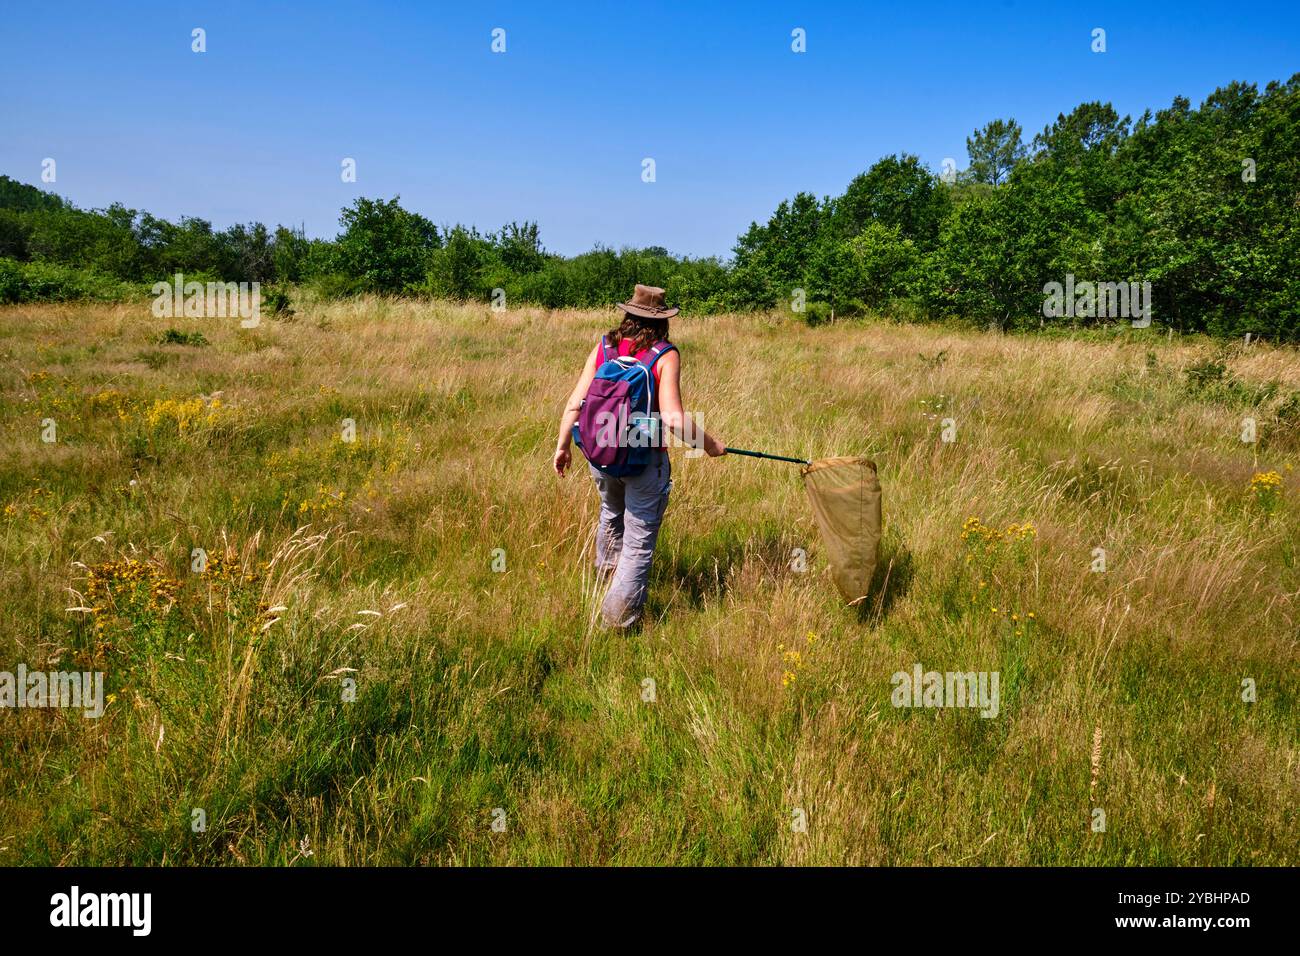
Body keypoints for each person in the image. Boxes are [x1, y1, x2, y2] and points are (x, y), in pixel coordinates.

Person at [554, 285, 726, 628]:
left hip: (600, 453)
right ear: (662, 321)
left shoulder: (605, 346)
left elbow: (576, 402)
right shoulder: (665, 354)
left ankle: (605, 582)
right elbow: (674, 419)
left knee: (610, 514)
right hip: (644, 460)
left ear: (628, 314)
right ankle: (617, 621)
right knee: (638, 540)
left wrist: (562, 446)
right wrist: (710, 446)